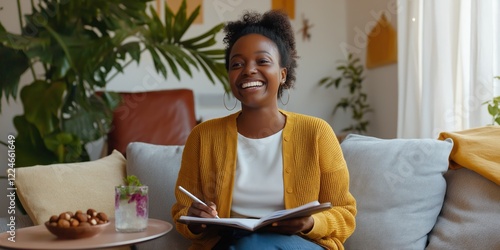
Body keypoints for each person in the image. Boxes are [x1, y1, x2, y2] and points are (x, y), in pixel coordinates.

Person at [172, 9, 356, 250]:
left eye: (262, 61)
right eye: (237, 64)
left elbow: (345, 214)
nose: (248, 70)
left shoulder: (317, 132)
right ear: (230, 76)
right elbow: (182, 212)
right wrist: (198, 221)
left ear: (282, 74)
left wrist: (310, 223)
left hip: (301, 244)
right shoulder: (203, 136)